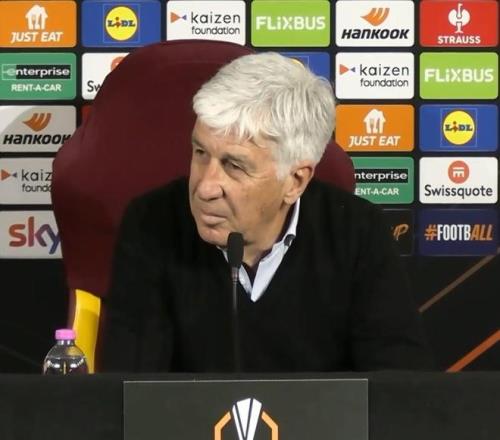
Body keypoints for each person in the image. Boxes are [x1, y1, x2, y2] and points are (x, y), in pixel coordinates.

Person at [101, 52, 433, 372]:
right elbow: (130, 390)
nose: (205, 187)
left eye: (234, 166)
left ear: (295, 181)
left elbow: (399, 386)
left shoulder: (357, 232)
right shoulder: (151, 223)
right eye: (200, 152)